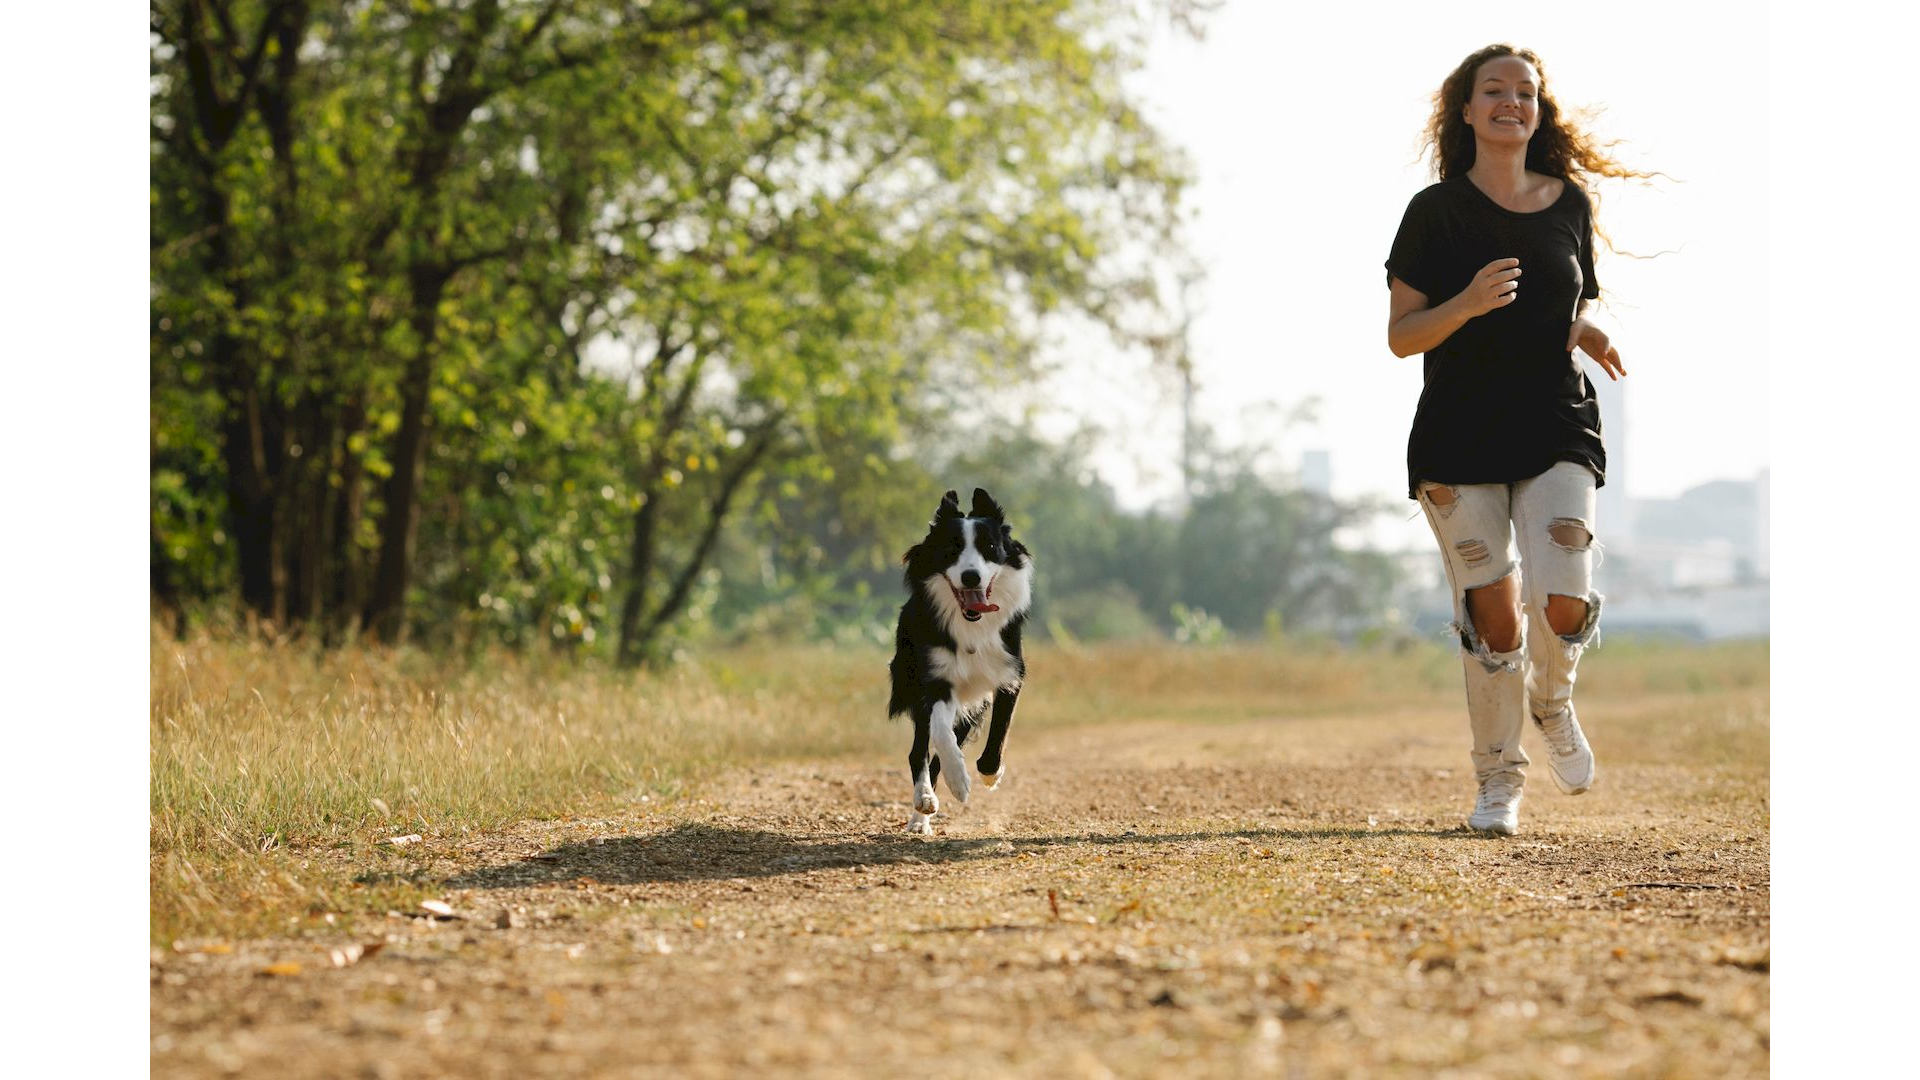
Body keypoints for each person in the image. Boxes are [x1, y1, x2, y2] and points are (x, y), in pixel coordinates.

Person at [1384, 44, 1640, 834]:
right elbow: (1401, 337)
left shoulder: (1569, 204)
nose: (1510, 102)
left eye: (1524, 92)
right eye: (1492, 91)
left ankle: (1552, 702)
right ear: (1465, 111)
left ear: (1539, 109)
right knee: (1494, 616)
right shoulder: (1435, 212)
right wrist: (1462, 304)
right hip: (1459, 436)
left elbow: (1563, 304)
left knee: (1562, 597)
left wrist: (1586, 327)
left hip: (1555, 423)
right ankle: (1499, 780)